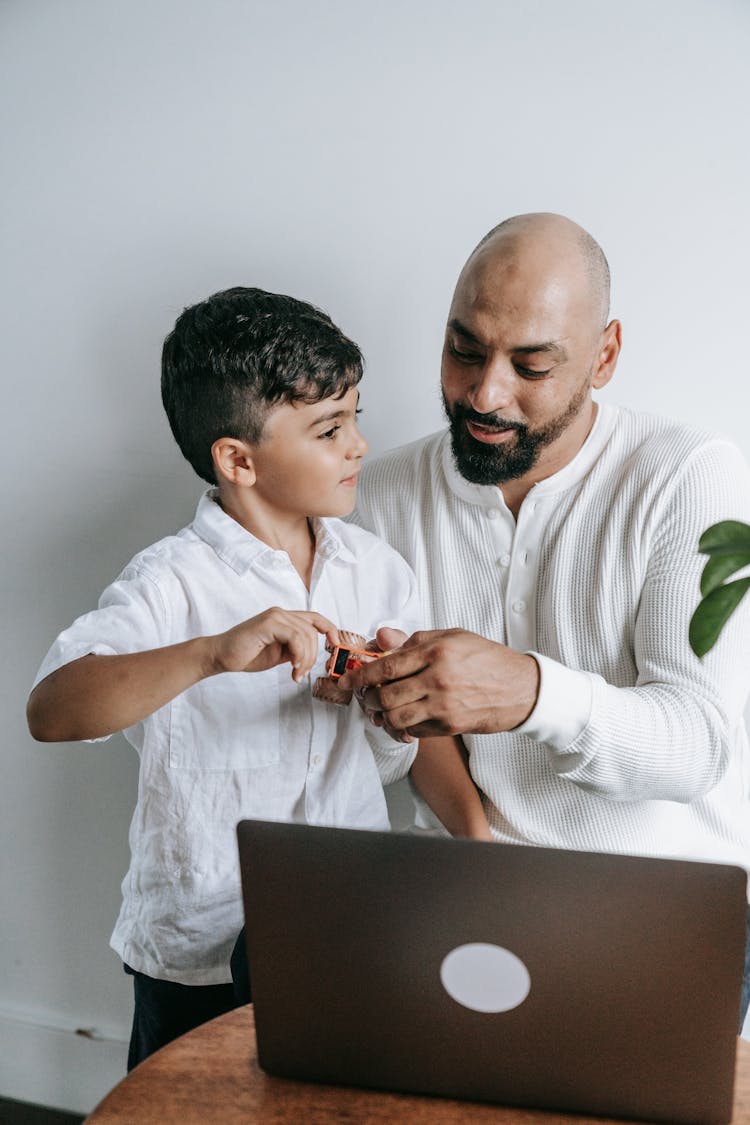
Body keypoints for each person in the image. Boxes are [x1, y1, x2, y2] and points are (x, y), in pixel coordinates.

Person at [26, 287, 490, 1069]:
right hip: (198, 958)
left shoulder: (377, 572)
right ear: (238, 460)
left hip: (344, 930)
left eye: (355, 417)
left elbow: (424, 733)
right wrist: (209, 653)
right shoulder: (170, 582)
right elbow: (53, 708)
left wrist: (475, 837)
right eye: (329, 428)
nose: (359, 446)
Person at [343, 212, 750, 1028]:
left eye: (531, 365)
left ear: (603, 355)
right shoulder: (373, 495)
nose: (486, 393)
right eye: (463, 350)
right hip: (463, 894)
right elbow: (386, 755)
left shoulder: (690, 478)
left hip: (670, 914)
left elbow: (700, 743)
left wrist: (531, 692)